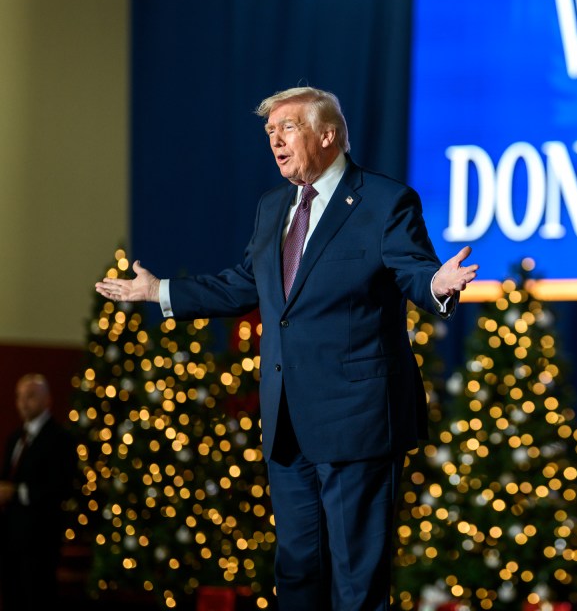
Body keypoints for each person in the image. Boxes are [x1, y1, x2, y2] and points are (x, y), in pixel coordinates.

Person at [96, 87, 477, 610]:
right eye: (269, 132)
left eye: (288, 128)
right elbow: (244, 284)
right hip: (287, 422)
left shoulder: (385, 201)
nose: (275, 141)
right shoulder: (273, 207)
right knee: (296, 571)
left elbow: (413, 272)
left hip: (357, 421)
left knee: (356, 580)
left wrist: (438, 283)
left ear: (328, 135)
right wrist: (159, 291)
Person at [0, 373, 77, 611]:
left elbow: (62, 487)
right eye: (19, 396)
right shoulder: (15, 437)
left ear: (47, 400)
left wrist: (18, 492)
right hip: (10, 535)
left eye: (31, 396)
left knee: (37, 597)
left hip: (40, 538)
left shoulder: (60, 439)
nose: (23, 402)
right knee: (12, 595)